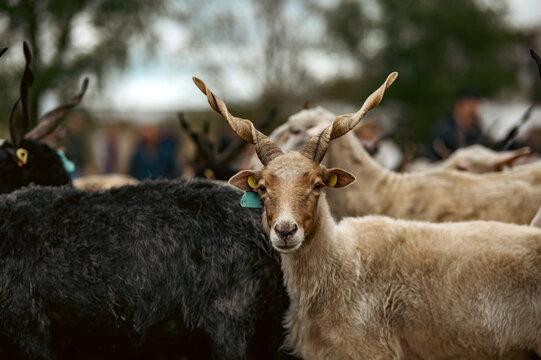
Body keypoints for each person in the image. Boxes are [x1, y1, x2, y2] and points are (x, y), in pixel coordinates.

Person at [427, 89, 489, 160]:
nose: (473, 110)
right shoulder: (443, 130)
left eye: (475, 104)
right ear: (459, 105)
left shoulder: (477, 132)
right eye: (469, 104)